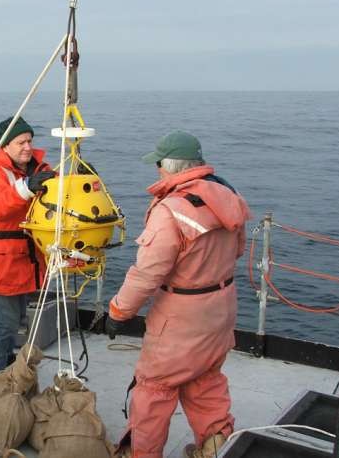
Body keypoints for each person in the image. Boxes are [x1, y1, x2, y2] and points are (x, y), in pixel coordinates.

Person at [105, 131, 250, 458]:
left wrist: (118, 312)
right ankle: (215, 449)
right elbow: (238, 250)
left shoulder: (170, 210)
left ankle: (140, 455)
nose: (156, 170)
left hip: (181, 317)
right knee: (206, 380)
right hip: (221, 308)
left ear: (168, 166)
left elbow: (146, 274)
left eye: (158, 164)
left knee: (155, 390)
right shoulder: (229, 196)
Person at [0, 116, 55, 394]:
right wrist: (26, 188)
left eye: (30, 141)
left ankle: (7, 363)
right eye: (21, 142)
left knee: (17, 317)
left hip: (25, 259)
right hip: (2, 261)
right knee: (5, 322)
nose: (27, 147)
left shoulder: (38, 169)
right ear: (5, 146)